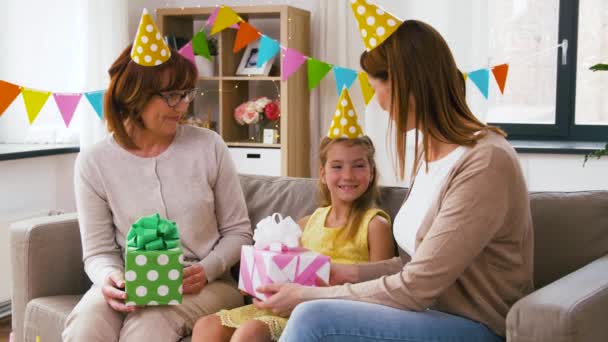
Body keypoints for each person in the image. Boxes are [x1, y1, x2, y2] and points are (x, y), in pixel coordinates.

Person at [254, 18, 534, 342]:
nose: (381, 104)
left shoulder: (485, 162)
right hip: (429, 314)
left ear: (405, 85)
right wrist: (332, 271)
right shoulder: (431, 156)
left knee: (312, 316)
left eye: (377, 89)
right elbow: (409, 266)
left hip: (474, 326)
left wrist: (306, 296)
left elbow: (415, 286)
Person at [63, 9, 252, 341]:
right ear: (134, 96)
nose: (183, 106)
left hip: (207, 285)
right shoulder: (94, 162)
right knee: (85, 327)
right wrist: (110, 278)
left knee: (147, 327)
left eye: (186, 94)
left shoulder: (208, 146)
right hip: (132, 278)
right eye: (171, 96)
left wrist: (206, 271)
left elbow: (239, 232)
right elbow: (98, 252)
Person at [191, 133, 395, 342]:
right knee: (206, 326)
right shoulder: (306, 223)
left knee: (250, 332)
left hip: (326, 314)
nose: (348, 175)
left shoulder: (375, 225)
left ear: (371, 173)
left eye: (359, 166)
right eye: (337, 166)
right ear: (323, 174)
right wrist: (258, 281)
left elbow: (380, 290)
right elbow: (284, 270)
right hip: (284, 307)